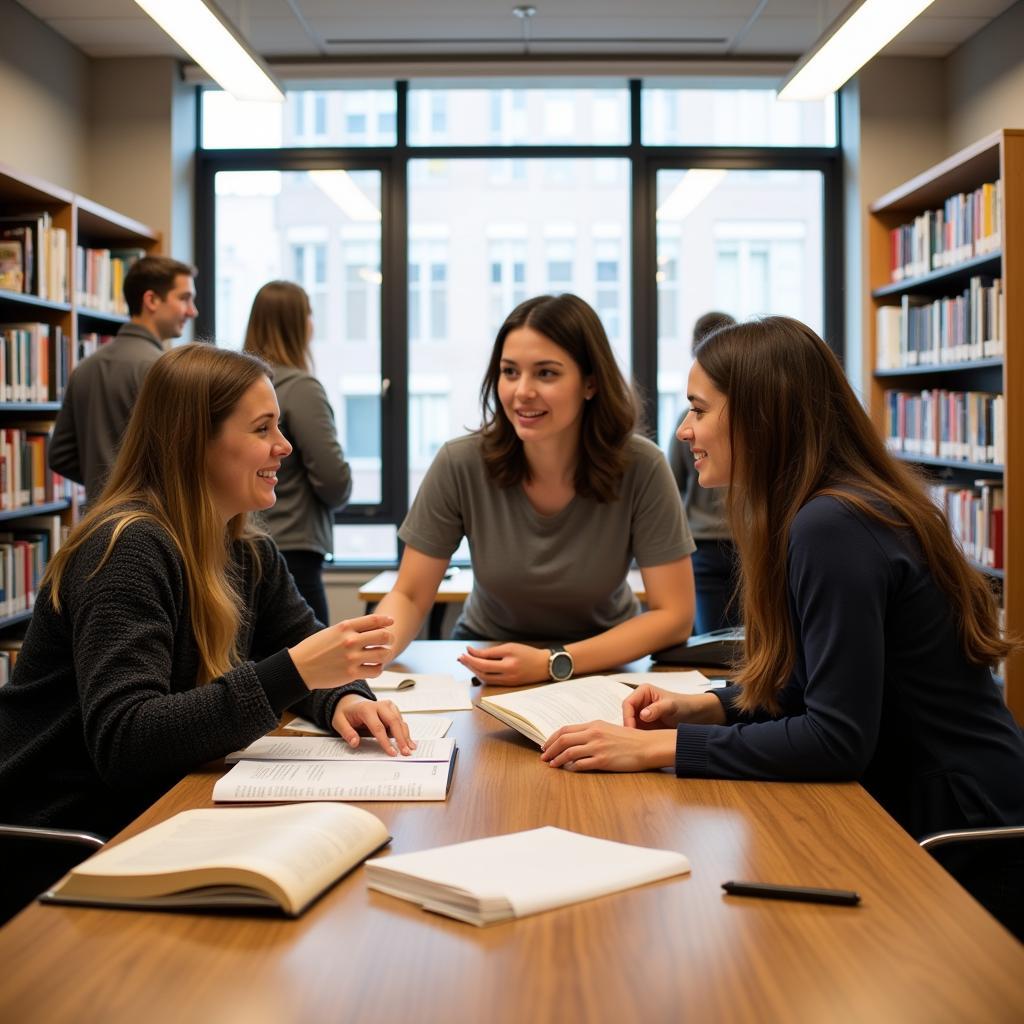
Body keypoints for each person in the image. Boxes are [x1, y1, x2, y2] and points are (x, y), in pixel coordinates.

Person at [541, 315, 1024, 842]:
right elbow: (810, 688)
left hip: (965, 830)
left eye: (699, 410)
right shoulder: (830, 511)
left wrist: (657, 748)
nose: (684, 430)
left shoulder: (833, 525)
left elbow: (836, 738)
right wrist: (704, 707)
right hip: (938, 803)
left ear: (758, 416)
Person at [0, 343, 413, 849]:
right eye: (263, 429)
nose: (284, 446)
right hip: (72, 835)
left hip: (163, 808)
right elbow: (127, 741)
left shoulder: (246, 550)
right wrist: (299, 671)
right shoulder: (125, 549)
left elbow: (298, 646)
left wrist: (341, 697)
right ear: (195, 442)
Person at [375, 293, 696, 686]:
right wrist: (371, 654)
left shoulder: (642, 466)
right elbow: (408, 596)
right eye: (510, 372)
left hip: (604, 663)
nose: (522, 391)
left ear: (591, 382)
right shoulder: (460, 462)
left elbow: (675, 614)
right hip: (487, 660)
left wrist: (553, 661)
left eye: (546, 373)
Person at [243, 280, 352, 623]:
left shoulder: (241, 388)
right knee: (317, 661)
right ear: (298, 323)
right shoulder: (301, 389)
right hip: (295, 550)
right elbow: (334, 480)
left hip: (246, 539)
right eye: (309, 315)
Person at [49, 255, 199, 502]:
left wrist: (107, 485)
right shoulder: (164, 371)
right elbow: (181, 456)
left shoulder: (84, 369)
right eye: (184, 298)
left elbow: (61, 456)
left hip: (98, 519)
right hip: (151, 516)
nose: (192, 311)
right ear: (151, 300)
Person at [666, 310, 739, 634]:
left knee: (719, 645)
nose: (685, 431)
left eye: (699, 410)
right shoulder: (698, 422)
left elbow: (674, 482)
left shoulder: (815, 527)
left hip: (719, 545)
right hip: (721, 544)